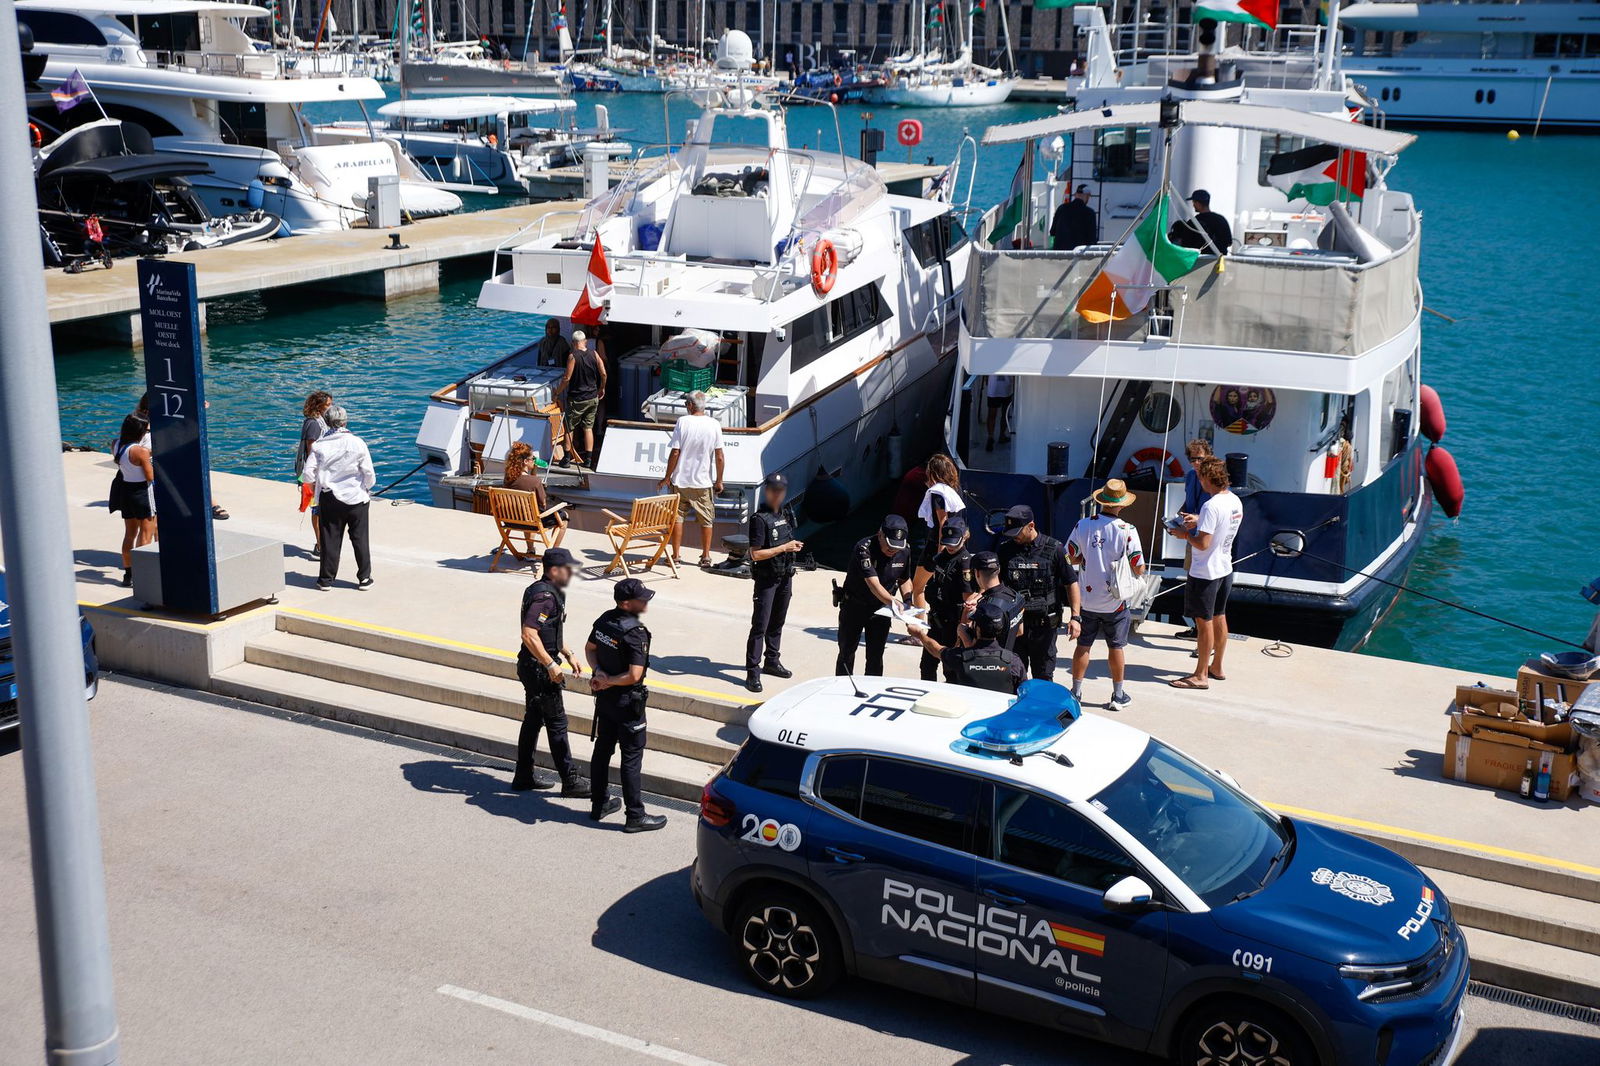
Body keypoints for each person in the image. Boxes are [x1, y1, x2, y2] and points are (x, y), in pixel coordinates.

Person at [585, 578, 667, 832]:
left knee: (602, 750)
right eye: (640, 599)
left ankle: (599, 804)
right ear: (625, 603)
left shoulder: (604, 620)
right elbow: (634, 675)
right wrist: (607, 679)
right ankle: (635, 816)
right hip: (627, 702)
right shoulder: (634, 633)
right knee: (631, 758)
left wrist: (599, 673)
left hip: (606, 701)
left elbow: (590, 649)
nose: (645, 602)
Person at [511, 547, 591, 796]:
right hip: (539, 669)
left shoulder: (545, 590)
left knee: (533, 720)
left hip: (533, 663)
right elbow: (529, 633)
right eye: (568, 569)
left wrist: (568, 654)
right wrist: (550, 664)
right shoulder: (545, 597)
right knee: (557, 722)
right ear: (555, 570)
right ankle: (570, 781)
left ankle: (523, 775)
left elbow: (549, 631)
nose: (571, 574)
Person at [1067, 479, 1145, 707]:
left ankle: (1076, 692)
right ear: (1121, 504)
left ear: (1101, 501)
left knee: (1083, 646)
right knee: (1116, 647)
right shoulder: (1127, 530)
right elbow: (1138, 566)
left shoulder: (1082, 525)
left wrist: (1085, 560)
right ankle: (1118, 695)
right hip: (1115, 602)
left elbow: (1070, 555)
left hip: (1086, 600)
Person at [1171, 457, 1243, 690]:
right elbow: (1219, 524)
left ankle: (1200, 675)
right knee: (1220, 617)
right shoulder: (1234, 501)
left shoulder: (1210, 506)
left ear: (1206, 478)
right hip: (1225, 568)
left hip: (1206, 572)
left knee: (1204, 624)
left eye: (1200, 475)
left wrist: (1183, 535)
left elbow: (1202, 543)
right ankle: (1217, 667)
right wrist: (1199, 520)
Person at [997, 505, 1081, 681]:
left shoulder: (1055, 549)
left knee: (1043, 677)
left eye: (1018, 532)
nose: (1015, 537)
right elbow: (996, 585)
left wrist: (1075, 617)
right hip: (1015, 627)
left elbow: (1071, 582)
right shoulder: (1005, 551)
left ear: (1031, 526)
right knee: (1012, 677)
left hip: (1044, 628)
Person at [303, 404, 376, 592]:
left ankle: (326, 580)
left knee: (330, 539)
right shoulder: (358, 443)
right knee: (360, 539)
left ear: (327, 422)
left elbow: (308, 474)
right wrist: (366, 488)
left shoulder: (320, 446)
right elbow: (369, 474)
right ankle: (364, 578)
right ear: (345, 421)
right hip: (357, 497)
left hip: (330, 498)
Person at [744, 472, 802, 693]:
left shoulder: (785, 513)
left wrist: (793, 546)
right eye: (773, 490)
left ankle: (772, 661)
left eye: (781, 491)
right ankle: (753, 670)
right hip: (767, 580)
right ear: (767, 491)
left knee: (777, 622)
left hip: (785, 575)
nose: (777, 495)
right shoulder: (759, 520)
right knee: (760, 625)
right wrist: (783, 548)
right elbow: (755, 555)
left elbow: (785, 541)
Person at [836, 515, 912, 677]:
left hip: (881, 611)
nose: (893, 551)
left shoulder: (904, 551)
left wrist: (907, 601)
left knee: (876, 656)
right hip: (855, 606)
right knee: (846, 652)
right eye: (890, 546)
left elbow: (904, 579)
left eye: (897, 548)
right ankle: (841, 688)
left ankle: (872, 689)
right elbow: (874, 585)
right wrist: (893, 601)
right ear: (880, 535)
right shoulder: (864, 548)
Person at [657, 390, 725, 568]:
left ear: (689, 405)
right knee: (706, 520)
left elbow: (675, 452)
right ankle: (706, 557)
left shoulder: (683, 422)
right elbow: (719, 456)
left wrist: (667, 477)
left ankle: (676, 557)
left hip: (680, 481)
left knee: (677, 519)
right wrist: (719, 480)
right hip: (703, 482)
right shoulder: (714, 424)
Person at [909, 600, 1027, 694]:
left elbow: (936, 649)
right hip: (998, 720)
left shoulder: (960, 657)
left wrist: (920, 634)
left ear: (977, 628)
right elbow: (1024, 693)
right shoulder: (1013, 661)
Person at [910, 514, 972, 682]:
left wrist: (962, 631)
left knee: (950, 669)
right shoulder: (941, 557)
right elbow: (921, 584)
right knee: (927, 665)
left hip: (953, 623)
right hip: (937, 618)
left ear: (964, 537)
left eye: (954, 543)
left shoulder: (964, 563)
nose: (950, 547)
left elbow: (968, 601)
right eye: (947, 543)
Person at [1174, 438, 1215, 640]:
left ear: (1208, 456)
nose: (1196, 463)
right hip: (1192, 535)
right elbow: (1189, 502)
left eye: (1199, 458)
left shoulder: (1214, 479)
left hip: (1206, 538)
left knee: (1204, 587)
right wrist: (1179, 516)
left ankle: (1206, 636)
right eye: (1192, 459)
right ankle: (1198, 630)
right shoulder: (1191, 476)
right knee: (1192, 580)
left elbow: (1216, 509)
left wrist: (1198, 518)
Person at [112, 414, 155, 588]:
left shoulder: (115, 444)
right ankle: (142, 574)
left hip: (126, 491)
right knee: (146, 534)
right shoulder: (141, 451)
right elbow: (149, 475)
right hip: (143, 492)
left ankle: (128, 574)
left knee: (130, 534)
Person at [554, 328, 606, 467]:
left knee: (569, 427)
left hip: (577, 398)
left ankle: (566, 459)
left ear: (573, 343)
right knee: (588, 428)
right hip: (592, 397)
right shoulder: (594, 353)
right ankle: (588, 460)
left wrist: (557, 392)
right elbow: (604, 373)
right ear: (585, 342)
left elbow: (566, 378)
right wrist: (601, 388)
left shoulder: (572, 356)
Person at [502, 441, 568, 547]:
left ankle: (530, 549)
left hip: (510, 521)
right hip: (531, 523)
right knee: (563, 517)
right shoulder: (535, 481)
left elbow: (526, 481)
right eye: (532, 458)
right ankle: (553, 552)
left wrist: (533, 472)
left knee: (527, 511)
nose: (534, 461)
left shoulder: (508, 478)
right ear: (525, 461)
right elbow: (543, 505)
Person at [297, 391, 333, 559]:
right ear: (318, 406)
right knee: (316, 509)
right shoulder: (313, 424)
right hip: (314, 474)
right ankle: (320, 544)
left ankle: (321, 543)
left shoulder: (321, 421)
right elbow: (311, 450)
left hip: (321, 472)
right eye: (328, 405)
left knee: (322, 509)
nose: (330, 407)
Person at [972, 550, 1024, 651]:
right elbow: (1020, 631)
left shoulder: (987, 609)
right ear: (998, 569)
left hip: (989, 663)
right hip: (1008, 660)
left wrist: (963, 632)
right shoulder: (1014, 596)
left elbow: (977, 649)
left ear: (977, 573)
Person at [916, 453, 964, 553]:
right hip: (956, 538)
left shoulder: (937, 492)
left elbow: (943, 522)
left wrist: (940, 551)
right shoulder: (956, 488)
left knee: (922, 568)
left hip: (938, 541)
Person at [1169, 189, 1233, 255]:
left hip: (1200, 262)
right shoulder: (1221, 219)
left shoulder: (1193, 222)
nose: (1193, 205)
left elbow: (1185, 245)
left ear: (1198, 203)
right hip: (1219, 262)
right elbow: (1229, 243)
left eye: (1193, 202)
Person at [1050, 184, 1097, 250]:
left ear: (1076, 195)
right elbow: (1092, 240)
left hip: (1059, 254)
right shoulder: (1090, 213)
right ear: (1087, 196)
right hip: (1077, 255)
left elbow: (1052, 232)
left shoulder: (1061, 208)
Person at [984, 375, 1013, 452]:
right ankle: (1001, 436)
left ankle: (990, 437)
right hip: (1007, 388)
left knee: (992, 414)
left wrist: (986, 378)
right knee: (1005, 414)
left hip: (993, 387)